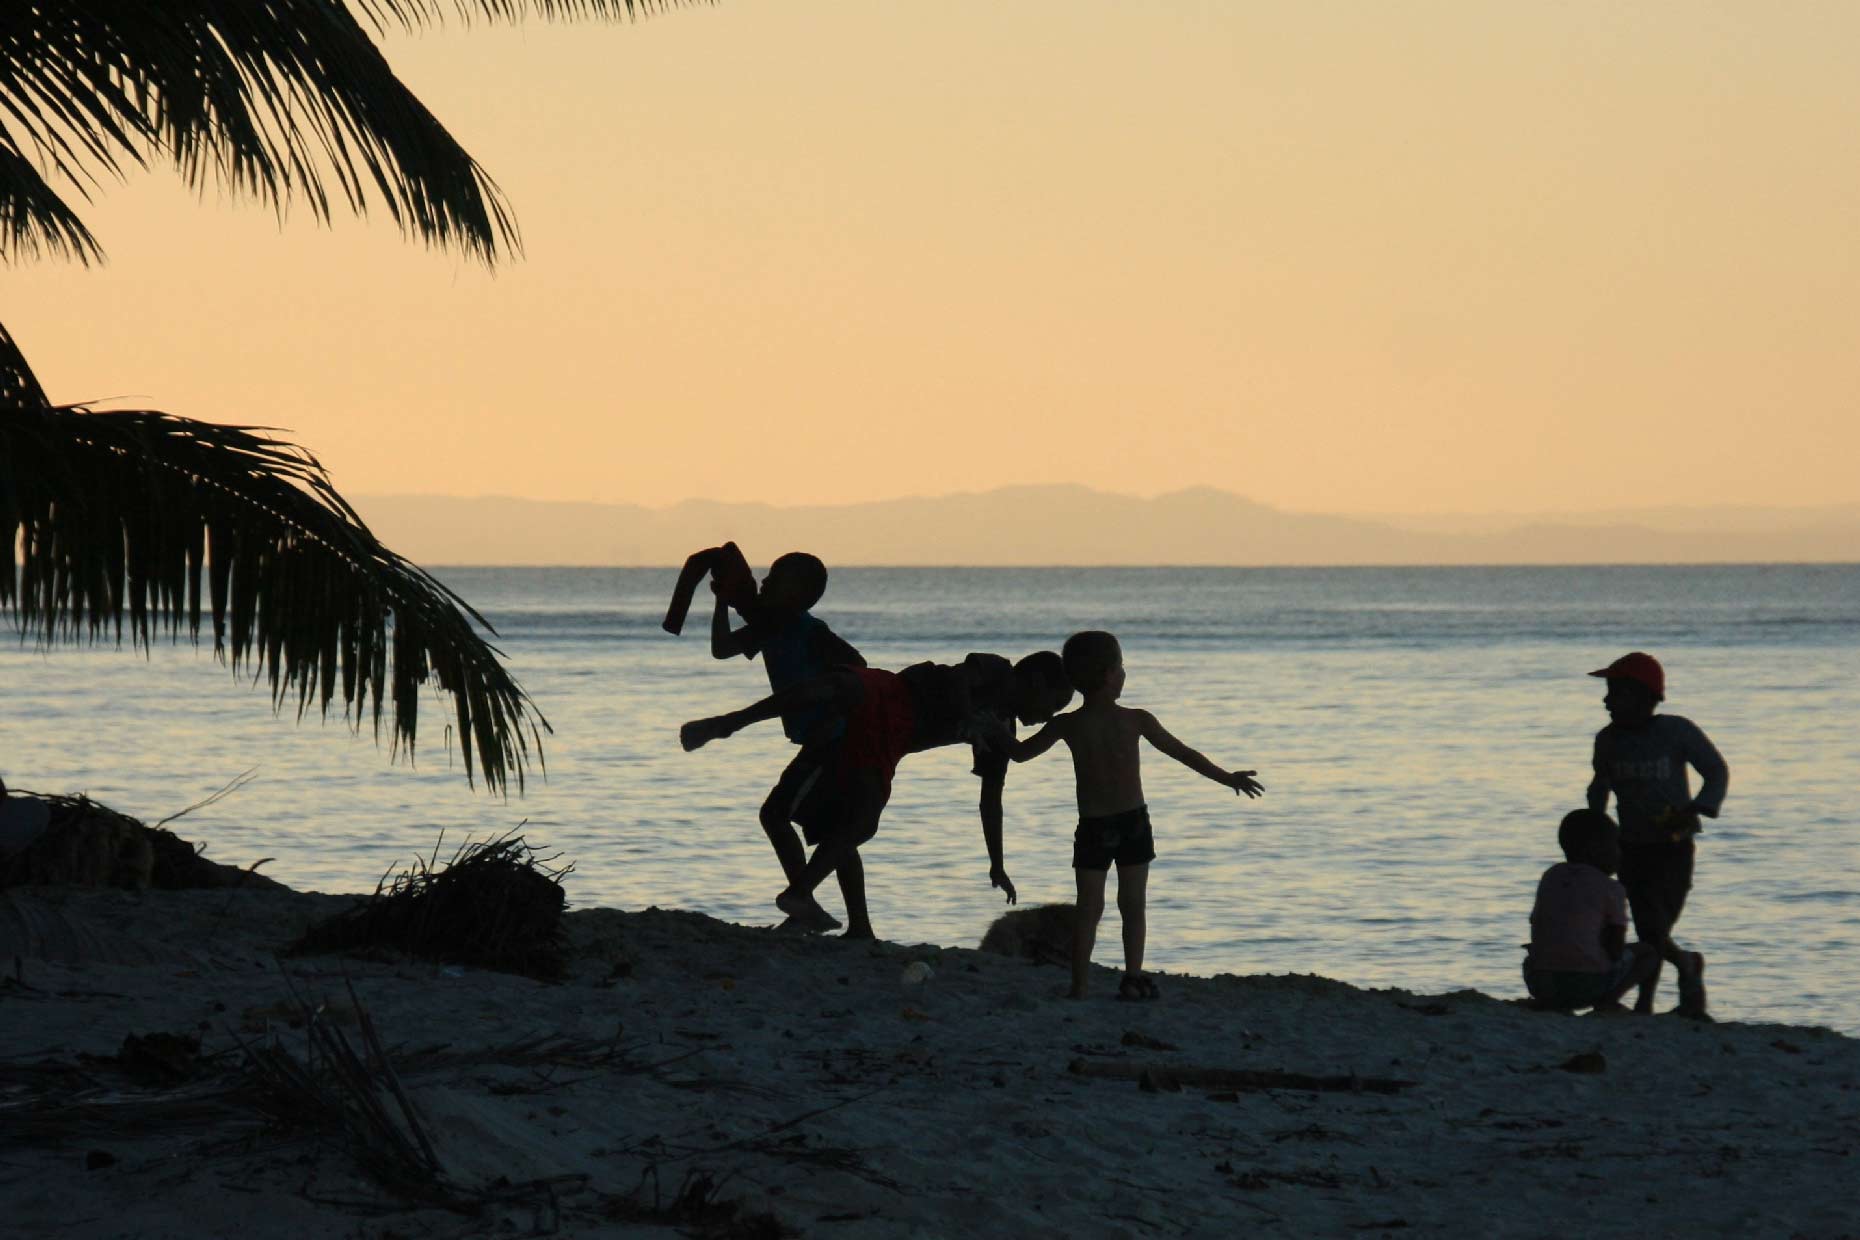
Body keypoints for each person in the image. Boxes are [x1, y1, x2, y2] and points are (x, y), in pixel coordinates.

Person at [681, 651, 1074, 937]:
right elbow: (958, 680)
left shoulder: (1001, 732)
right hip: (893, 693)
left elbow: (991, 799)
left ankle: (850, 922)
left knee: (853, 823)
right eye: (1054, 704)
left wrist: (997, 863)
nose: (1049, 715)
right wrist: (966, 716)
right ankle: (731, 721)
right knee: (841, 684)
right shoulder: (999, 671)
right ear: (1037, 682)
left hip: (890, 736)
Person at [990, 631, 1263, 1001]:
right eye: (1120, 668)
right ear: (1107, 675)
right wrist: (1227, 778)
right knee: (1132, 906)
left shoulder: (1067, 724)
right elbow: (1185, 754)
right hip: (1132, 823)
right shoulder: (1136, 720)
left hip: (1094, 828)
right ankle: (1132, 977)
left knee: (1090, 909)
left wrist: (987, 726)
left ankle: (1080, 986)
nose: (1123, 674)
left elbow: (1019, 754)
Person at [704, 551, 865, 931]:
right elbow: (722, 648)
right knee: (834, 834)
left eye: (775, 578)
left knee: (777, 815)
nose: (764, 582)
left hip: (835, 743)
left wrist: (835, 708)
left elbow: (858, 666)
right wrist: (721, 602)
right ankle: (850, 923)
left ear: (799, 593)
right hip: (818, 743)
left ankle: (804, 905)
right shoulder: (771, 625)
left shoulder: (810, 631)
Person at [1585, 651, 1728, 1018]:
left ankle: (1666, 982)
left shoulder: (1676, 731)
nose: (1606, 701)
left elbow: (1716, 771)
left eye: (1615, 692)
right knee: (1650, 927)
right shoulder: (1608, 740)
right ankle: (1671, 979)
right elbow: (1599, 786)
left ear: (1643, 696)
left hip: (1674, 847)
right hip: (1628, 847)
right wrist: (1595, 827)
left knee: (1655, 927)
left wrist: (1697, 809)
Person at [1523, 809, 1661, 1013]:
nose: (1620, 853)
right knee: (1648, 953)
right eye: (1615, 845)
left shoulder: (1551, 876)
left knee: (1533, 956)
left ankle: (1550, 1003)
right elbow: (1615, 950)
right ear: (1593, 849)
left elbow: (1537, 923)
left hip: (1542, 983)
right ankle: (1608, 1001)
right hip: (1587, 985)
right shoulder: (1611, 888)